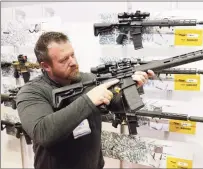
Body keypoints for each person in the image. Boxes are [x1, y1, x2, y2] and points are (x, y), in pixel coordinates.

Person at [16, 31, 155, 169]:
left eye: (72, 55)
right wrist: (89, 100)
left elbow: (116, 105)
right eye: (64, 60)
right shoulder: (31, 92)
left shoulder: (88, 79)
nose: (73, 62)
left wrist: (132, 86)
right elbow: (43, 133)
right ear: (45, 66)